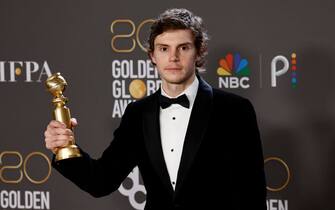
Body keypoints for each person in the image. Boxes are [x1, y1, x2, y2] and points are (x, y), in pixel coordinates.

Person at [44, 8, 266, 210]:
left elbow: (252, 195)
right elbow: (101, 181)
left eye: (184, 48)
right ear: (152, 56)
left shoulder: (235, 110)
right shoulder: (138, 113)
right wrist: (64, 149)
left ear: (198, 53)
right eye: (164, 48)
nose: (173, 58)